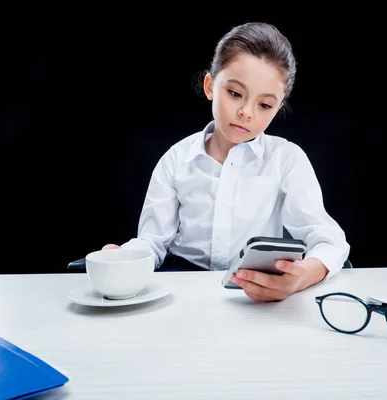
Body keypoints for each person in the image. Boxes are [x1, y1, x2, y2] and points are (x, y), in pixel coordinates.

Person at [103, 21, 350, 302]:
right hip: (182, 293)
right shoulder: (176, 159)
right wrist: (126, 257)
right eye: (234, 93)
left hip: (253, 296)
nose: (246, 112)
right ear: (210, 85)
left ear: (278, 108)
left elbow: (329, 240)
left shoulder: (287, 160)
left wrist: (301, 277)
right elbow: (152, 242)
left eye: (265, 105)